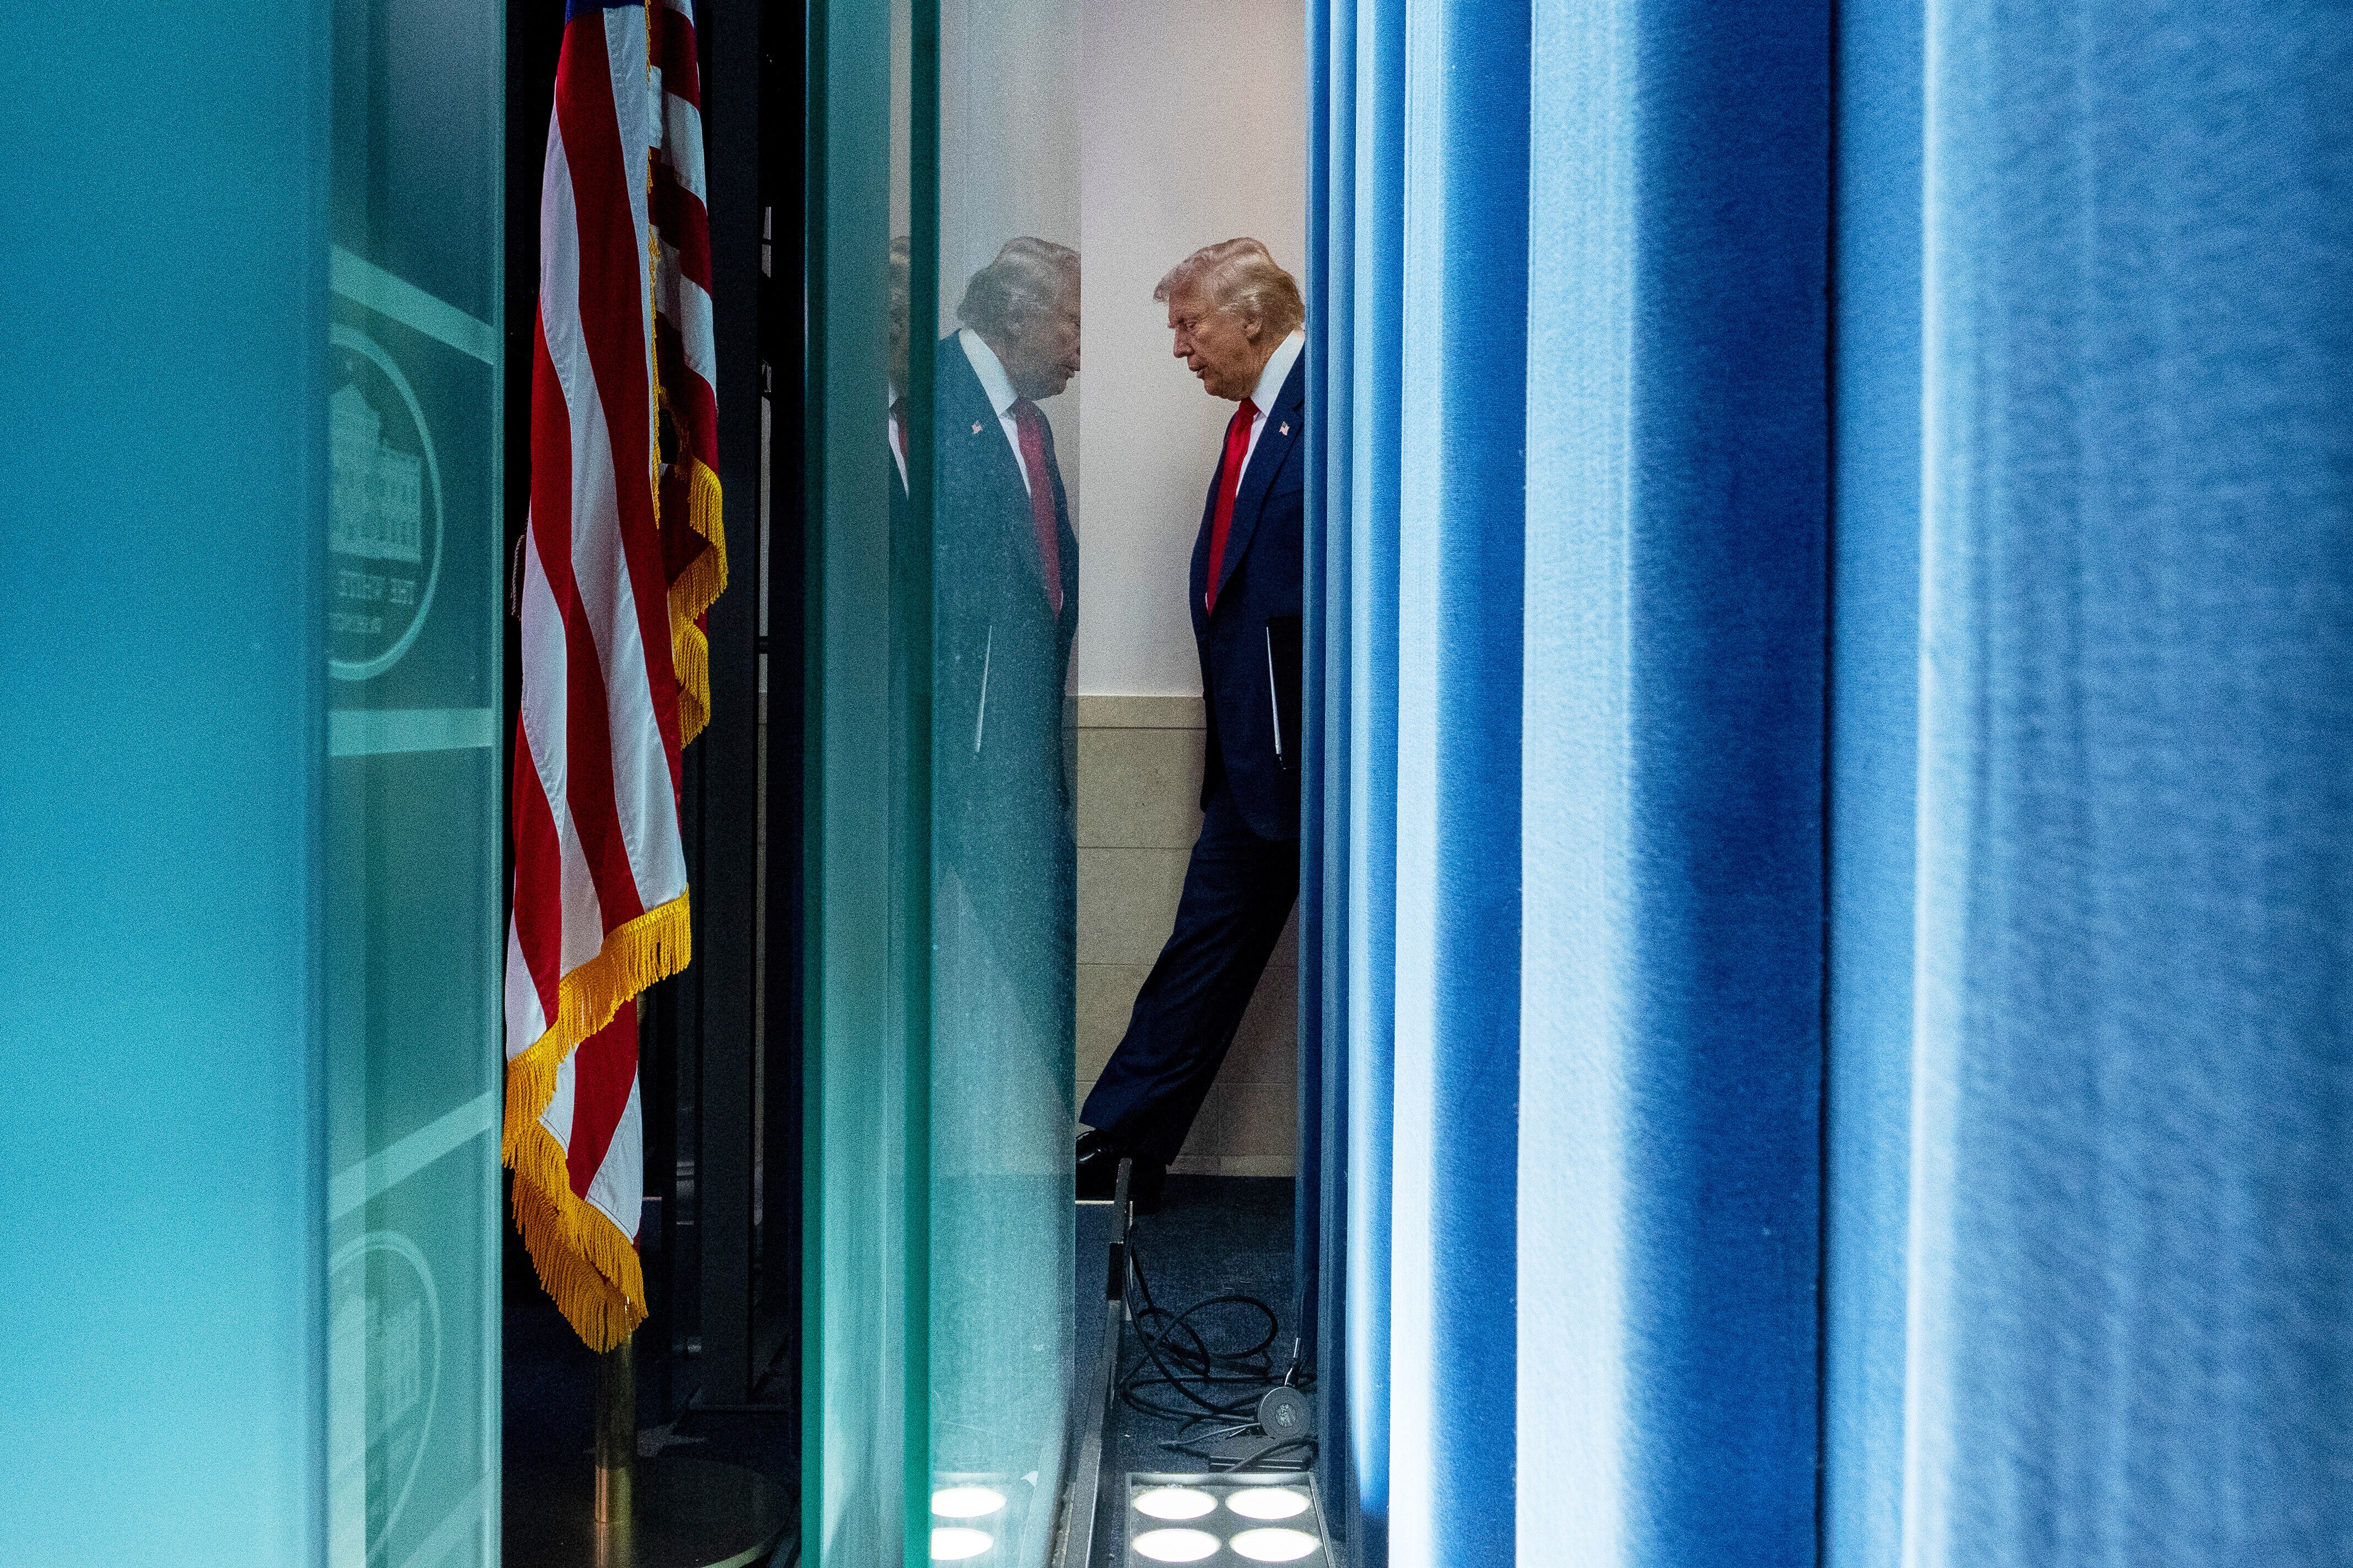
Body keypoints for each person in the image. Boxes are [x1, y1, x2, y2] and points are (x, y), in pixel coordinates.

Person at [1077, 237, 1306, 1212]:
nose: (1180, 348)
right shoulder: (1254, 423)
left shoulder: (1333, 408)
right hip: (1256, 765)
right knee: (1203, 946)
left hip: (1323, 765)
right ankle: (1126, 1147)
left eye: (1189, 324)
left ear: (1250, 317)